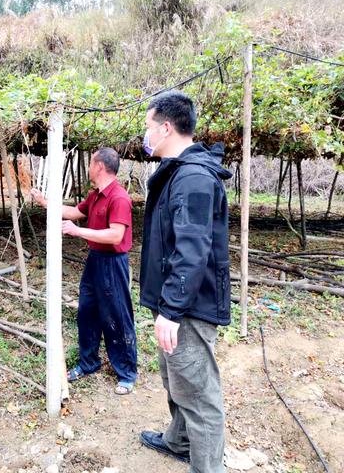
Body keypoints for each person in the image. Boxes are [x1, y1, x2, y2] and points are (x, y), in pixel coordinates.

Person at [137, 90, 232, 472]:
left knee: (198, 392)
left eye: (148, 127)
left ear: (165, 127)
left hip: (189, 306)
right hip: (176, 302)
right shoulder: (180, 173)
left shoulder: (192, 178)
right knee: (175, 377)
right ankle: (178, 441)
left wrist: (172, 310)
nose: (145, 136)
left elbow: (193, 250)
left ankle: (208, 467)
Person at [32, 147, 137, 395]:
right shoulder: (96, 196)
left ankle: (127, 372)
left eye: (91, 163)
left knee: (117, 316)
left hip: (113, 263)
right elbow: (74, 213)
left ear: (99, 166)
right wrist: (45, 202)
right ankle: (89, 362)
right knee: (87, 312)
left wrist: (77, 231)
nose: (88, 167)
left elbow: (116, 235)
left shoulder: (119, 197)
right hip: (95, 261)